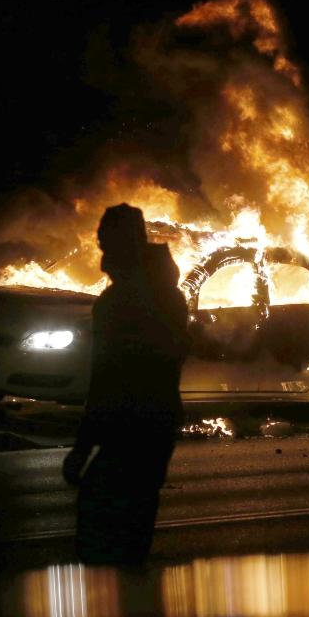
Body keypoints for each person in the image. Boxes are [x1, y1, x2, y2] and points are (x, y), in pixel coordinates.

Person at [64, 203, 190, 564]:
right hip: (154, 425)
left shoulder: (123, 303)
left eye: (107, 246)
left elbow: (107, 379)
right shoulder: (165, 296)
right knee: (131, 531)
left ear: (126, 246)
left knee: (106, 534)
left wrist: (82, 448)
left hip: (135, 428)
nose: (103, 258)